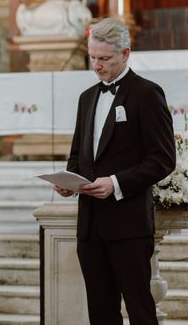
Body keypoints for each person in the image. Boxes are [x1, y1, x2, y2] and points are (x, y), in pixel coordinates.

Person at [55, 18, 175, 324]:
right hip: (90, 225)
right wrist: (69, 180)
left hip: (129, 224)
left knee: (139, 309)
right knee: (101, 311)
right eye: (93, 57)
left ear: (125, 53)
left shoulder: (147, 94)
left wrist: (116, 183)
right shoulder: (87, 98)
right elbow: (78, 154)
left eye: (104, 58)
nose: (97, 65)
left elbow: (163, 158)